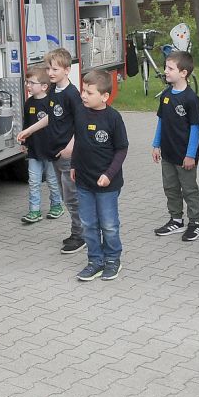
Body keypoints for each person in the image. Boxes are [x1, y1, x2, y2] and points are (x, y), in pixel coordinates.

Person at [17, 48, 84, 254]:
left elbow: (81, 123)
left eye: (54, 68)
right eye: (48, 68)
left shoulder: (72, 94)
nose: (51, 72)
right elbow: (51, 118)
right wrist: (29, 130)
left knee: (72, 197)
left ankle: (81, 235)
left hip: (67, 154)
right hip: (54, 153)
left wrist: (70, 147)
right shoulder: (54, 91)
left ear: (67, 70)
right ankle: (77, 231)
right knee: (66, 196)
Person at [71, 70, 129, 281]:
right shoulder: (80, 111)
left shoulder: (113, 118)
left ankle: (113, 259)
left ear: (104, 96)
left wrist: (109, 174)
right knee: (88, 223)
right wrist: (74, 165)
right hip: (84, 181)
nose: (84, 95)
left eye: (89, 92)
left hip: (107, 184)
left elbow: (122, 149)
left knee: (109, 224)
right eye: (83, 91)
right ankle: (95, 260)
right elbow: (79, 142)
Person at [152, 51, 199, 241]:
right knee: (170, 187)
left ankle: (195, 223)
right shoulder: (165, 95)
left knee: (189, 189)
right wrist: (156, 144)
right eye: (166, 67)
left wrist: (190, 155)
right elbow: (161, 121)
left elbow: (195, 128)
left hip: (185, 156)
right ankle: (176, 219)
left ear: (183, 73)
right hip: (168, 153)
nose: (165, 71)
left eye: (170, 68)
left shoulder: (191, 99)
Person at [20, 65, 65, 224]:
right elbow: (27, 124)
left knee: (52, 180)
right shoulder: (28, 103)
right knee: (33, 181)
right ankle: (34, 211)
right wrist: (24, 140)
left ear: (44, 86)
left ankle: (57, 205)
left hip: (50, 151)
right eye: (27, 82)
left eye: (32, 82)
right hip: (34, 150)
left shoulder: (51, 103)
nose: (28, 85)